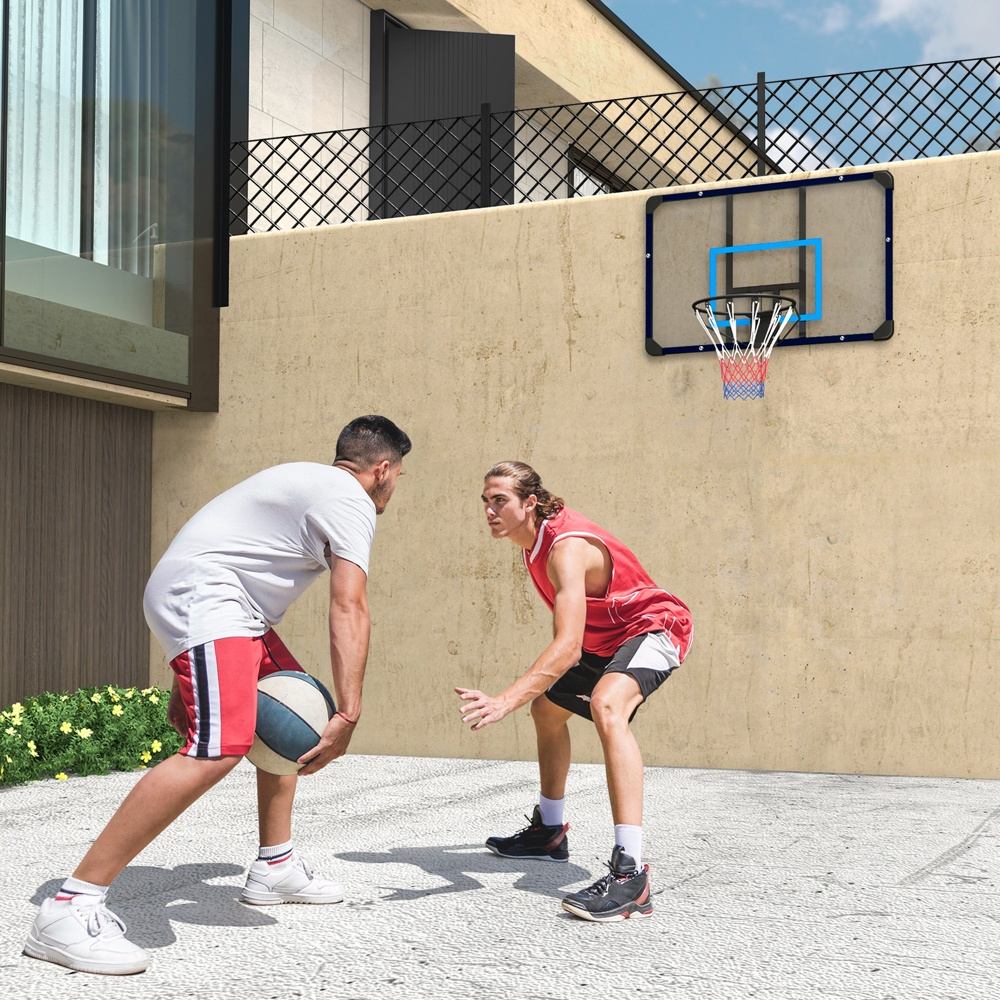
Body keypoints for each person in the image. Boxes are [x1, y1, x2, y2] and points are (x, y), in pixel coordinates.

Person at [24, 415, 411, 975]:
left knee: (289, 705)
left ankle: (274, 865)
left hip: (225, 602)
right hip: (207, 596)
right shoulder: (350, 499)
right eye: (397, 475)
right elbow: (349, 606)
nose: (393, 486)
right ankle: (70, 907)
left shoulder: (313, 482)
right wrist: (350, 711)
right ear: (382, 470)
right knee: (219, 747)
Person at [457, 461, 692, 922]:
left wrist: (505, 699)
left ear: (529, 503)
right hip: (605, 642)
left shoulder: (564, 549)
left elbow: (566, 648)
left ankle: (631, 875)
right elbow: (573, 638)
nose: (489, 510)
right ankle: (549, 832)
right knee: (547, 709)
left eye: (499, 500)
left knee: (608, 705)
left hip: (656, 628)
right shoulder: (532, 543)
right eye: (485, 501)